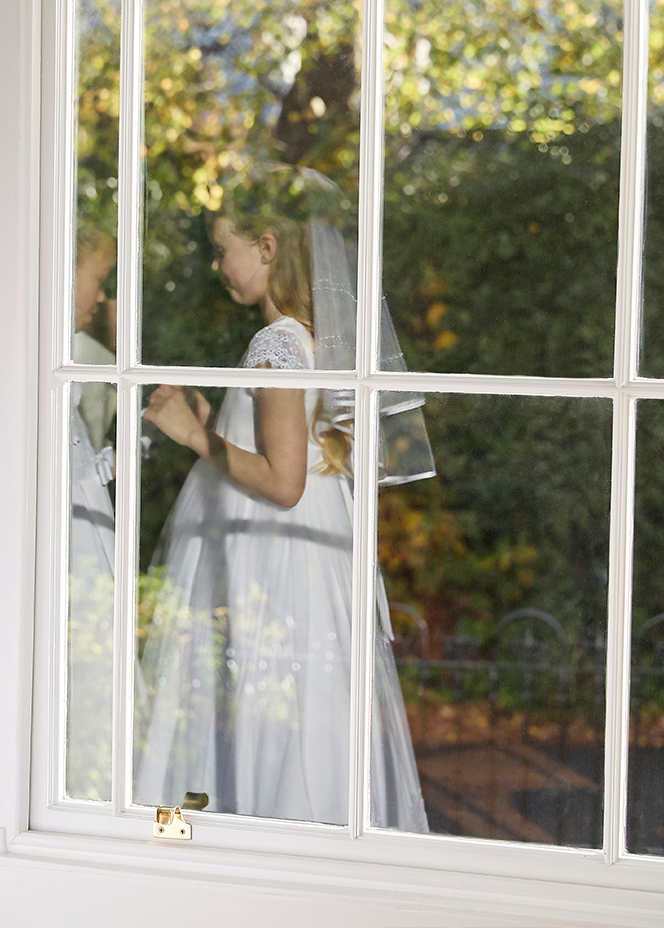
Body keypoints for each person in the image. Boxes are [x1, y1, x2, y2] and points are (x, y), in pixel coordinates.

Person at [133, 167, 430, 831]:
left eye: (222, 249)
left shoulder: (277, 344)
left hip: (270, 561)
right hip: (300, 560)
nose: (217, 266)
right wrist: (215, 426)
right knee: (301, 720)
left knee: (253, 706)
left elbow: (282, 481)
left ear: (266, 248)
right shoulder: (312, 340)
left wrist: (192, 436)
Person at [66, 225, 117, 800]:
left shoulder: (75, 356)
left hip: (84, 547)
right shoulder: (47, 358)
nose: (102, 298)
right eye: (97, 281)